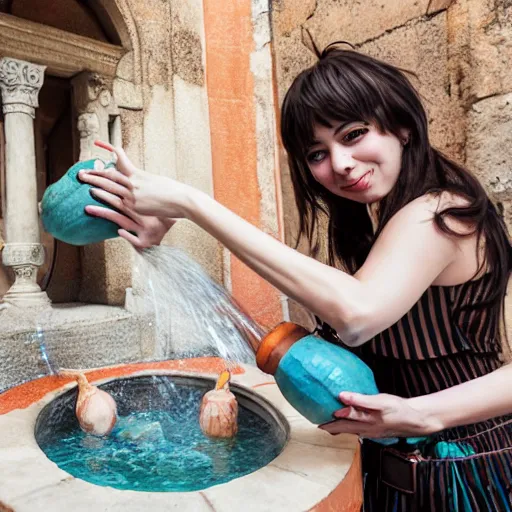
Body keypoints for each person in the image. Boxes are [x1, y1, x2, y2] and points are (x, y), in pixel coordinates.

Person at [79, 44, 512, 510]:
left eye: (355, 134)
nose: (341, 163)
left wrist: (193, 204)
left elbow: (357, 314)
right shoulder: (386, 226)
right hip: (395, 470)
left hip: (462, 476)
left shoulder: (441, 213)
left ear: (402, 127)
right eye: (317, 154)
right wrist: (166, 248)